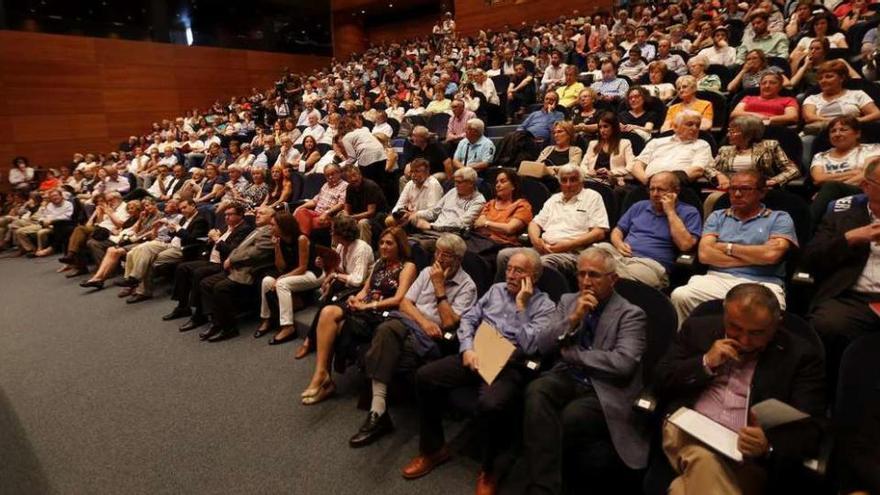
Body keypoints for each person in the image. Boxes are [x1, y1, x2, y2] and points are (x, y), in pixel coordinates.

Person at [400, 248, 556, 494]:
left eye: (519, 271)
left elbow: (530, 346)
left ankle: (490, 469)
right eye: (509, 269)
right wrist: (467, 349)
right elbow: (470, 320)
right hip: (477, 350)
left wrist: (522, 307)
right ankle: (433, 450)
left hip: (508, 363)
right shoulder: (495, 290)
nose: (511, 275)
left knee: (491, 404)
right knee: (425, 377)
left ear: (534, 277)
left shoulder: (545, 306)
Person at [656, 284, 826, 495]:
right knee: (702, 456)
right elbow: (660, 379)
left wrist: (768, 445)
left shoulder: (800, 356)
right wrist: (705, 362)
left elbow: (811, 428)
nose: (744, 341)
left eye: (756, 333)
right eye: (735, 327)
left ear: (776, 324)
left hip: (746, 454)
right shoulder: (698, 329)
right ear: (724, 314)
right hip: (686, 430)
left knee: (686, 484)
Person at [523, 247, 649, 493]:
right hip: (567, 376)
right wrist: (573, 318)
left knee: (571, 417)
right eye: (581, 275)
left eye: (594, 275)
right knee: (536, 391)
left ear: (613, 280)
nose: (586, 282)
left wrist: (576, 355)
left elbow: (623, 363)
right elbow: (542, 343)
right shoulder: (569, 301)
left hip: (604, 386)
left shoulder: (631, 314)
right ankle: (545, 487)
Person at [357, 234, 477, 447]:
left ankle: (378, 409)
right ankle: (378, 410)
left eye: (446, 255)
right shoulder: (425, 272)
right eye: (437, 252)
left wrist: (439, 287)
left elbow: (449, 323)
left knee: (385, 351)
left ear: (458, 259)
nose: (439, 258)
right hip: (412, 322)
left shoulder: (467, 286)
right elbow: (405, 303)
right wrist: (423, 322)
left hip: (435, 337)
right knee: (385, 330)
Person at [300, 227, 417, 405]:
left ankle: (325, 380)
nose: (384, 247)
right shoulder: (380, 263)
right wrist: (356, 299)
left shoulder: (408, 266)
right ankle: (322, 373)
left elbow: (399, 299)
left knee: (337, 326)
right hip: (365, 306)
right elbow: (365, 290)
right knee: (328, 311)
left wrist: (368, 305)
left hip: (383, 312)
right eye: (382, 242)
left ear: (400, 245)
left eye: (389, 243)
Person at [670, 171, 797, 324]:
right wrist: (756, 256)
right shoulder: (717, 216)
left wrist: (727, 247)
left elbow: (771, 255)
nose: (737, 194)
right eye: (732, 188)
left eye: (745, 189)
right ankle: (689, 342)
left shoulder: (779, 218)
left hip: (762, 282)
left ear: (762, 192)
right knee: (681, 295)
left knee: (771, 306)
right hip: (717, 278)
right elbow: (705, 255)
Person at [804, 157, 880, 391]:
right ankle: (832, 397)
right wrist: (850, 238)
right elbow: (811, 258)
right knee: (827, 324)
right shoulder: (841, 214)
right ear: (866, 186)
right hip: (854, 299)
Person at [497, 164, 608, 278]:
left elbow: (599, 232)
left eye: (573, 180)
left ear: (581, 181)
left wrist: (568, 245)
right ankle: (502, 292)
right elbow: (535, 224)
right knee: (504, 255)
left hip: (572, 253)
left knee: (543, 264)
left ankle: (534, 295)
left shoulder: (592, 197)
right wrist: (536, 240)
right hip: (542, 249)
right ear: (560, 183)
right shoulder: (554, 198)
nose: (568, 184)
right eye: (564, 180)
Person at [596, 172, 702, 289]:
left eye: (661, 190)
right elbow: (618, 230)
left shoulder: (689, 212)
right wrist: (618, 243)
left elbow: (685, 245)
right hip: (621, 257)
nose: (655, 194)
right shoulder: (639, 206)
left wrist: (670, 212)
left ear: (675, 191)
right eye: (652, 189)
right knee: (596, 251)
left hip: (650, 264)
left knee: (603, 273)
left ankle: (608, 276)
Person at [294, 214, 376, 359]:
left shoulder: (361, 248)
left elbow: (357, 280)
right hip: (345, 285)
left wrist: (334, 276)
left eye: (333, 231)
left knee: (332, 293)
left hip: (362, 288)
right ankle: (312, 339)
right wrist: (324, 266)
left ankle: (309, 340)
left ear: (342, 233)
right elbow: (337, 270)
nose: (331, 233)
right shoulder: (340, 246)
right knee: (331, 293)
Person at [165, 203, 254, 328]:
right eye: (226, 215)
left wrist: (217, 239)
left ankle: (199, 315)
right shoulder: (225, 227)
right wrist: (210, 240)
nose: (226, 217)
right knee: (182, 267)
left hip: (223, 263)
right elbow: (212, 245)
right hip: (210, 259)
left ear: (240, 215)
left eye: (230, 215)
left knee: (199, 273)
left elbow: (232, 251)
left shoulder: (245, 229)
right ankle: (182, 306)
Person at [196, 206, 276, 342]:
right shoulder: (257, 230)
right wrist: (231, 258)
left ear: (272, 218)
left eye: (262, 213)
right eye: (257, 213)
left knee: (220, 287)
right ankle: (216, 322)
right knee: (205, 283)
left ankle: (229, 328)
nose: (257, 215)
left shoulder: (269, 232)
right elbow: (239, 248)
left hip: (248, 270)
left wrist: (232, 259)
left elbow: (255, 252)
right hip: (236, 267)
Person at [120, 198, 209, 302]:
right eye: (181, 208)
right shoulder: (185, 219)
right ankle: (132, 279)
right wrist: (170, 228)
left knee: (148, 257)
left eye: (185, 207)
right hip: (170, 244)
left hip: (182, 248)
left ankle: (141, 289)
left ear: (193, 205)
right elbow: (172, 235)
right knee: (143, 248)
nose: (183, 210)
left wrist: (177, 228)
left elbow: (192, 239)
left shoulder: (200, 220)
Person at [254, 211, 320, 344]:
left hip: (313, 274)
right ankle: (267, 319)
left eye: (273, 225)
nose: (270, 228)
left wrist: (280, 278)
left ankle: (288, 326)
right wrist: (276, 247)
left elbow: (302, 267)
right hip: (295, 272)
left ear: (283, 226)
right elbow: (281, 267)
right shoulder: (281, 240)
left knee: (281, 284)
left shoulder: (301, 239)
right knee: (267, 281)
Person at [810, 116, 880, 220]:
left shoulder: (871, 149)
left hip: (862, 191)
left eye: (843, 130)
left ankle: (805, 230)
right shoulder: (820, 156)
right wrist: (854, 173)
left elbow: (867, 175)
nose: (837, 134)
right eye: (833, 131)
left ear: (857, 134)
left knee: (831, 187)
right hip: (828, 195)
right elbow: (818, 178)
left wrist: (830, 187)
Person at [706, 116, 801, 190]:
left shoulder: (770, 146)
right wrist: (719, 175)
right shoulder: (724, 150)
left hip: (758, 189)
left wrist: (774, 181)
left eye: (733, 132)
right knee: (712, 200)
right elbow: (708, 168)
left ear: (749, 134)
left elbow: (792, 170)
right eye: (729, 131)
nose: (728, 135)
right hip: (731, 188)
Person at [409, 167, 486, 249]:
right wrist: (416, 214)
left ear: (471, 183)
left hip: (451, 236)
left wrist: (432, 226)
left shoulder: (479, 201)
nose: (455, 185)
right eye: (455, 181)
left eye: (459, 182)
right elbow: (434, 212)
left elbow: (461, 224)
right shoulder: (453, 191)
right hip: (432, 231)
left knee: (415, 246)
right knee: (400, 235)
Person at [632, 110, 713, 185]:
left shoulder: (702, 145)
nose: (695, 128)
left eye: (698, 125)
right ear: (675, 127)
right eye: (690, 124)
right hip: (648, 185)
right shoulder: (656, 142)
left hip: (677, 188)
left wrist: (665, 183)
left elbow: (697, 170)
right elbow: (637, 165)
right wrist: (647, 181)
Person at [803, 60, 880, 131]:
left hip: (852, 131)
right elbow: (809, 117)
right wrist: (842, 122)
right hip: (820, 133)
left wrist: (855, 121)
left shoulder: (857, 94)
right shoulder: (812, 98)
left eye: (829, 76)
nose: (823, 81)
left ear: (842, 78)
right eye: (820, 78)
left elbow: (876, 114)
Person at [469, 169, 533, 252]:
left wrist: (486, 223)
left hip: (503, 245)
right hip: (481, 241)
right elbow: (478, 225)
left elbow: (509, 228)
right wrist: (498, 227)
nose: (498, 185)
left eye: (503, 181)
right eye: (497, 182)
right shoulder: (490, 203)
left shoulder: (522, 205)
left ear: (513, 185)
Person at [580, 112, 636, 187]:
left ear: (614, 127)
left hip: (612, 182)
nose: (602, 130)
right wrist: (589, 172)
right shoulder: (593, 144)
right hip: (592, 180)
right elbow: (583, 165)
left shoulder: (625, 143)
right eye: (600, 127)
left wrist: (611, 172)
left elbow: (631, 166)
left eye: (605, 126)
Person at [15, 189, 74, 257]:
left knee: (41, 232)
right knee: (19, 231)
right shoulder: (50, 205)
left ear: (61, 196)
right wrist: (42, 220)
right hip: (45, 224)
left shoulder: (68, 204)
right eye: (52, 196)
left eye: (56, 195)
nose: (54, 197)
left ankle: (44, 250)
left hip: (61, 225)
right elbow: (43, 216)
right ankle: (32, 250)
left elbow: (67, 217)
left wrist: (52, 221)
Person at [293, 163, 347, 236]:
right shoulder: (325, 185)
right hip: (316, 213)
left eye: (332, 174)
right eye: (327, 175)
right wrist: (299, 207)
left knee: (304, 221)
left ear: (339, 173)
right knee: (301, 211)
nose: (330, 177)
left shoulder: (345, 186)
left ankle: (302, 239)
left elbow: (341, 204)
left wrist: (326, 213)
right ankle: (302, 239)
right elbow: (314, 201)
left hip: (329, 216)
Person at [388, 158, 444, 228]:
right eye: (412, 171)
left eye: (417, 171)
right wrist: (396, 213)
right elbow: (399, 204)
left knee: (408, 222)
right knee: (389, 220)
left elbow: (432, 214)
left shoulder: (433, 185)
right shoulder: (409, 184)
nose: (413, 175)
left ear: (427, 172)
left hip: (426, 222)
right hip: (408, 218)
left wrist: (414, 214)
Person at [729, 73, 799, 127]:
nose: (767, 86)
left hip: (773, 128)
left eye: (772, 83)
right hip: (745, 128)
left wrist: (768, 120)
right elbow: (735, 114)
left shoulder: (788, 100)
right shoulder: (748, 98)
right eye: (764, 83)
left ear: (780, 86)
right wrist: (757, 116)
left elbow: (792, 116)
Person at [342, 164, 388, 243]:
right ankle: (337, 250)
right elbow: (347, 208)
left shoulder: (370, 186)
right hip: (358, 215)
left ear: (360, 174)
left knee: (362, 223)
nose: (353, 179)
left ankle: (364, 251)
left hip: (377, 218)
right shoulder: (349, 188)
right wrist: (346, 216)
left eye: (354, 175)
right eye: (349, 177)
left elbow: (371, 212)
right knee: (339, 217)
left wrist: (352, 217)